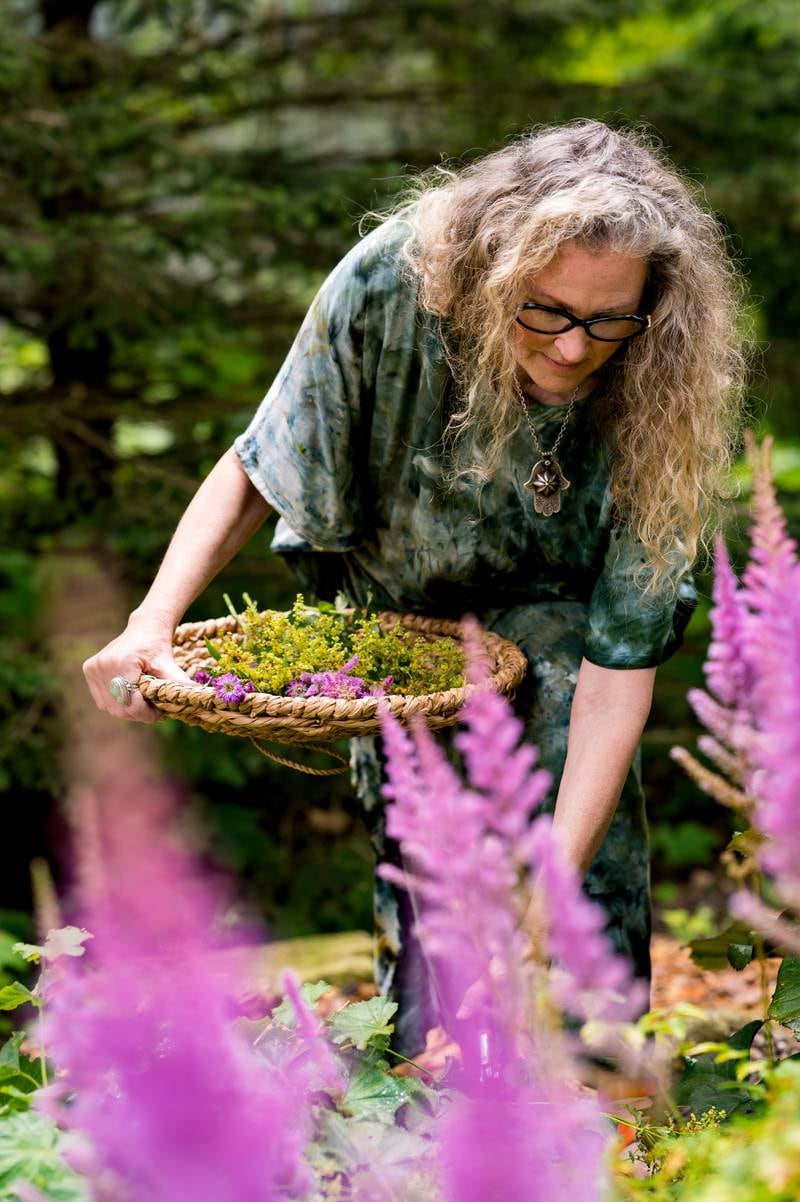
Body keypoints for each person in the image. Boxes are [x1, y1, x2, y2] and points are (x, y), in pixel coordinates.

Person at [83, 119, 748, 1056]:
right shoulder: (389, 282)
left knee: (575, 919)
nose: (571, 349)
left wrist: (547, 891)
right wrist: (151, 622)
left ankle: (609, 1125)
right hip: (403, 639)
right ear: (488, 276)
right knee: (428, 907)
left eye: (608, 321)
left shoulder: (668, 380)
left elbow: (616, 670)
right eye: (546, 311)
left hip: (568, 657)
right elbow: (264, 463)